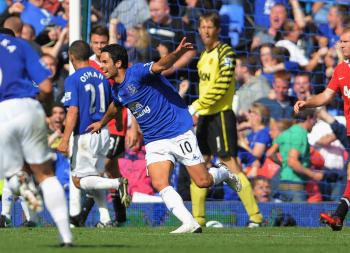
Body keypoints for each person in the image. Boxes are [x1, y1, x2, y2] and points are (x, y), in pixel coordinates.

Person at [87, 37, 242, 234]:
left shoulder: (136, 72)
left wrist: (177, 53)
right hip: (154, 139)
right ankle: (190, 223)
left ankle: (223, 172)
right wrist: (101, 122)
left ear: (118, 63)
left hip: (177, 129)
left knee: (203, 182)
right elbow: (115, 106)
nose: (102, 65)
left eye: (105, 61)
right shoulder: (116, 88)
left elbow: (161, 65)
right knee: (159, 182)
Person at [186, 12, 263, 228]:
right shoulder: (202, 57)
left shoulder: (226, 52)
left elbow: (221, 87)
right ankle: (198, 220)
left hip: (221, 115)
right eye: (203, 27)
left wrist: (196, 106)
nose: (206, 31)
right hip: (205, 118)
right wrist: (199, 109)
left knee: (231, 164)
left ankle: (255, 217)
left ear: (218, 30)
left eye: (210, 27)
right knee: (198, 165)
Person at [0, 29, 72, 246]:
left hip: (3, 112)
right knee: (46, 175)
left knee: (11, 173)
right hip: (28, 107)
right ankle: (66, 236)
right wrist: (46, 107)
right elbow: (46, 86)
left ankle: (19, 181)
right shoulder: (22, 46)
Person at [57, 40, 131, 227]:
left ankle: (117, 184)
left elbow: (73, 111)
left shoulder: (72, 79)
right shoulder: (102, 77)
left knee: (78, 181)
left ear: (72, 57)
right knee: (95, 177)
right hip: (103, 132)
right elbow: (115, 105)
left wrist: (64, 140)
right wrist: (120, 124)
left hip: (84, 135)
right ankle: (105, 219)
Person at [294, 27, 350, 231]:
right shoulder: (341, 69)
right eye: (340, 41)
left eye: (345, 41)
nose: (341, 45)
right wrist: (306, 103)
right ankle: (338, 217)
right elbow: (326, 96)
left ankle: (338, 217)